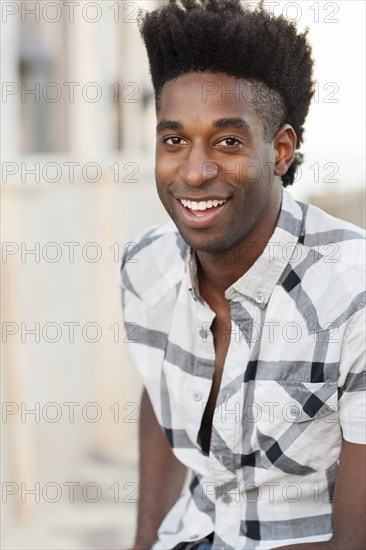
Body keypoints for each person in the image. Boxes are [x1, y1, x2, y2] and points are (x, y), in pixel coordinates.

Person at [119, 1, 366, 548]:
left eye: (228, 141)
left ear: (280, 150)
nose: (194, 171)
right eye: (174, 140)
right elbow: (161, 381)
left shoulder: (354, 295)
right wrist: (144, 538)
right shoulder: (146, 265)